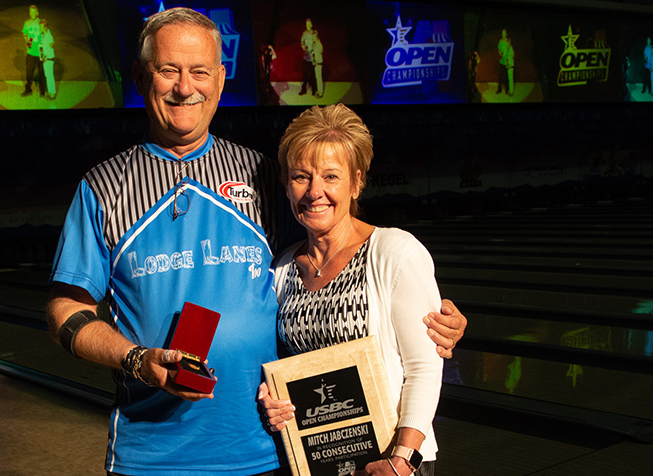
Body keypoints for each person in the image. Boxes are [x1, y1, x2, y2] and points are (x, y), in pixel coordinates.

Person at [46, 8, 466, 475]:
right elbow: (66, 310)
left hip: (266, 452)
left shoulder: (261, 175)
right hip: (150, 458)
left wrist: (431, 315)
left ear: (221, 79)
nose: (185, 87)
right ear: (143, 77)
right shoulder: (103, 187)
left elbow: (333, 255)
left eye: (199, 71)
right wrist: (138, 360)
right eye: (168, 71)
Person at [258, 104, 443, 476]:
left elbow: (424, 367)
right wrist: (270, 397)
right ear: (286, 184)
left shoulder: (394, 252)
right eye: (300, 177)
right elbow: (280, 366)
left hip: (392, 463)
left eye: (331, 176)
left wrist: (403, 459)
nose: (315, 192)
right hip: (317, 465)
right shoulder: (280, 269)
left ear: (356, 182)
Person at [21, 5, 44, 97]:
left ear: (37, 13)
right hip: (31, 52)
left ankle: (42, 90)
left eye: (33, 12)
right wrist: (28, 42)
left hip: (41, 52)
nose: (32, 14)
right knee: (29, 73)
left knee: (42, 72)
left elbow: (45, 34)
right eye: (30, 12)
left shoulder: (41, 23)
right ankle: (28, 89)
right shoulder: (27, 23)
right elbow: (24, 34)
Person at [38, 19, 56, 100]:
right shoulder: (43, 35)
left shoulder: (48, 36)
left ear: (45, 27)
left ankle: (52, 93)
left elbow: (52, 43)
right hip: (45, 59)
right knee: (48, 76)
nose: (40, 28)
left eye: (41, 27)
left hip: (48, 59)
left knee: (50, 76)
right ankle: (50, 92)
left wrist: (52, 43)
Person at [299, 18, 317, 96]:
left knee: (313, 75)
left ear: (311, 25)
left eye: (309, 24)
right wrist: (303, 47)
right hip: (306, 57)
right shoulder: (304, 33)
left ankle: (314, 89)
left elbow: (317, 43)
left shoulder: (314, 33)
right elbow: (302, 42)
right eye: (306, 24)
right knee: (305, 75)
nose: (307, 26)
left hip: (313, 57)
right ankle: (304, 89)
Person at [496, 28, 511, 95]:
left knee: (507, 77)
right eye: (502, 33)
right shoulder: (500, 41)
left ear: (506, 33)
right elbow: (499, 49)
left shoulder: (508, 40)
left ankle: (507, 90)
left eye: (504, 33)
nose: (503, 34)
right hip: (502, 61)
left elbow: (509, 49)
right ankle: (499, 89)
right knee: (500, 76)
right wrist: (500, 52)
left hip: (507, 61)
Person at [311, 30, 324, 98]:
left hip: (318, 63)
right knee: (317, 78)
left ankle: (320, 93)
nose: (313, 38)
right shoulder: (315, 44)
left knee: (319, 78)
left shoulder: (319, 45)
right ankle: (318, 91)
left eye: (314, 37)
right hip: (316, 63)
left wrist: (316, 61)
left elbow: (320, 54)